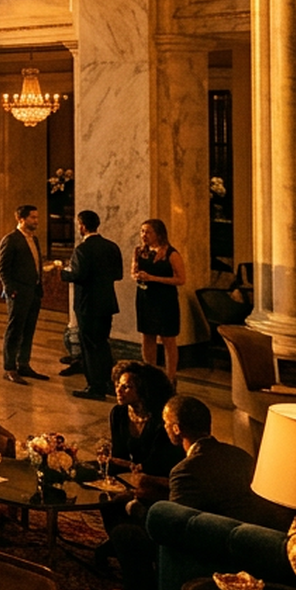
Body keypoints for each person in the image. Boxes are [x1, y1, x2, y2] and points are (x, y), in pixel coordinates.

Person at [112, 395, 293, 590]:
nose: (165, 428)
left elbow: (173, 527)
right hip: (246, 547)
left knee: (125, 534)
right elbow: (215, 491)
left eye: (167, 424)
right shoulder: (240, 456)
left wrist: (132, 505)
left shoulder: (185, 469)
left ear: (176, 429)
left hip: (208, 550)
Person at [100, 360, 184, 530]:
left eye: (127, 387)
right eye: (118, 384)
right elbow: (119, 454)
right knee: (106, 498)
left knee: (120, 502)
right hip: (132, 476)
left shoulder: (161, 421)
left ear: (143, 390)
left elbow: (157, 464)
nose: (118, 390)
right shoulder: (119, 413)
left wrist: (131, 472)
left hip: (158, 481)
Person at [66, 210, 124, 400]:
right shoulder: (111, 247)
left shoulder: (82, 250)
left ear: (82, 225)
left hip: (87, 305)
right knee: (102, 344)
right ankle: (109, 382)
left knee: (89, 347)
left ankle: (95, 387)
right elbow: (118, 275)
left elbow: (78, 275)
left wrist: (63, 272)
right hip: (106, 303)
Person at [0, 203, 47, 385]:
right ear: (21, 219)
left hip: (33, 291)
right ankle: (10, 367)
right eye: (33, 217)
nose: (36, 221)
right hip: (18, 292)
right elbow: (2, 269)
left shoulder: (34, 239)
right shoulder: (11, 239)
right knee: (15, 330)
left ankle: (23, 363)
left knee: (29, 329)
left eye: (36, 217)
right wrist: (11, 290)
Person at [132, 218, 187, 382]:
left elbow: (181, 279)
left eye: (148, 232)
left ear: (158, 234)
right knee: (147, 336)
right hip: (145, 297)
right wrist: (137, 276)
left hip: (165, 299)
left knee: (168, 338)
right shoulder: (140, 252)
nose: (144, 235)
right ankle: (150, 373)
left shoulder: (171, 254)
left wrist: (153, 278)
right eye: (142, 231)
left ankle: (170, 377)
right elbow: (133, 272)